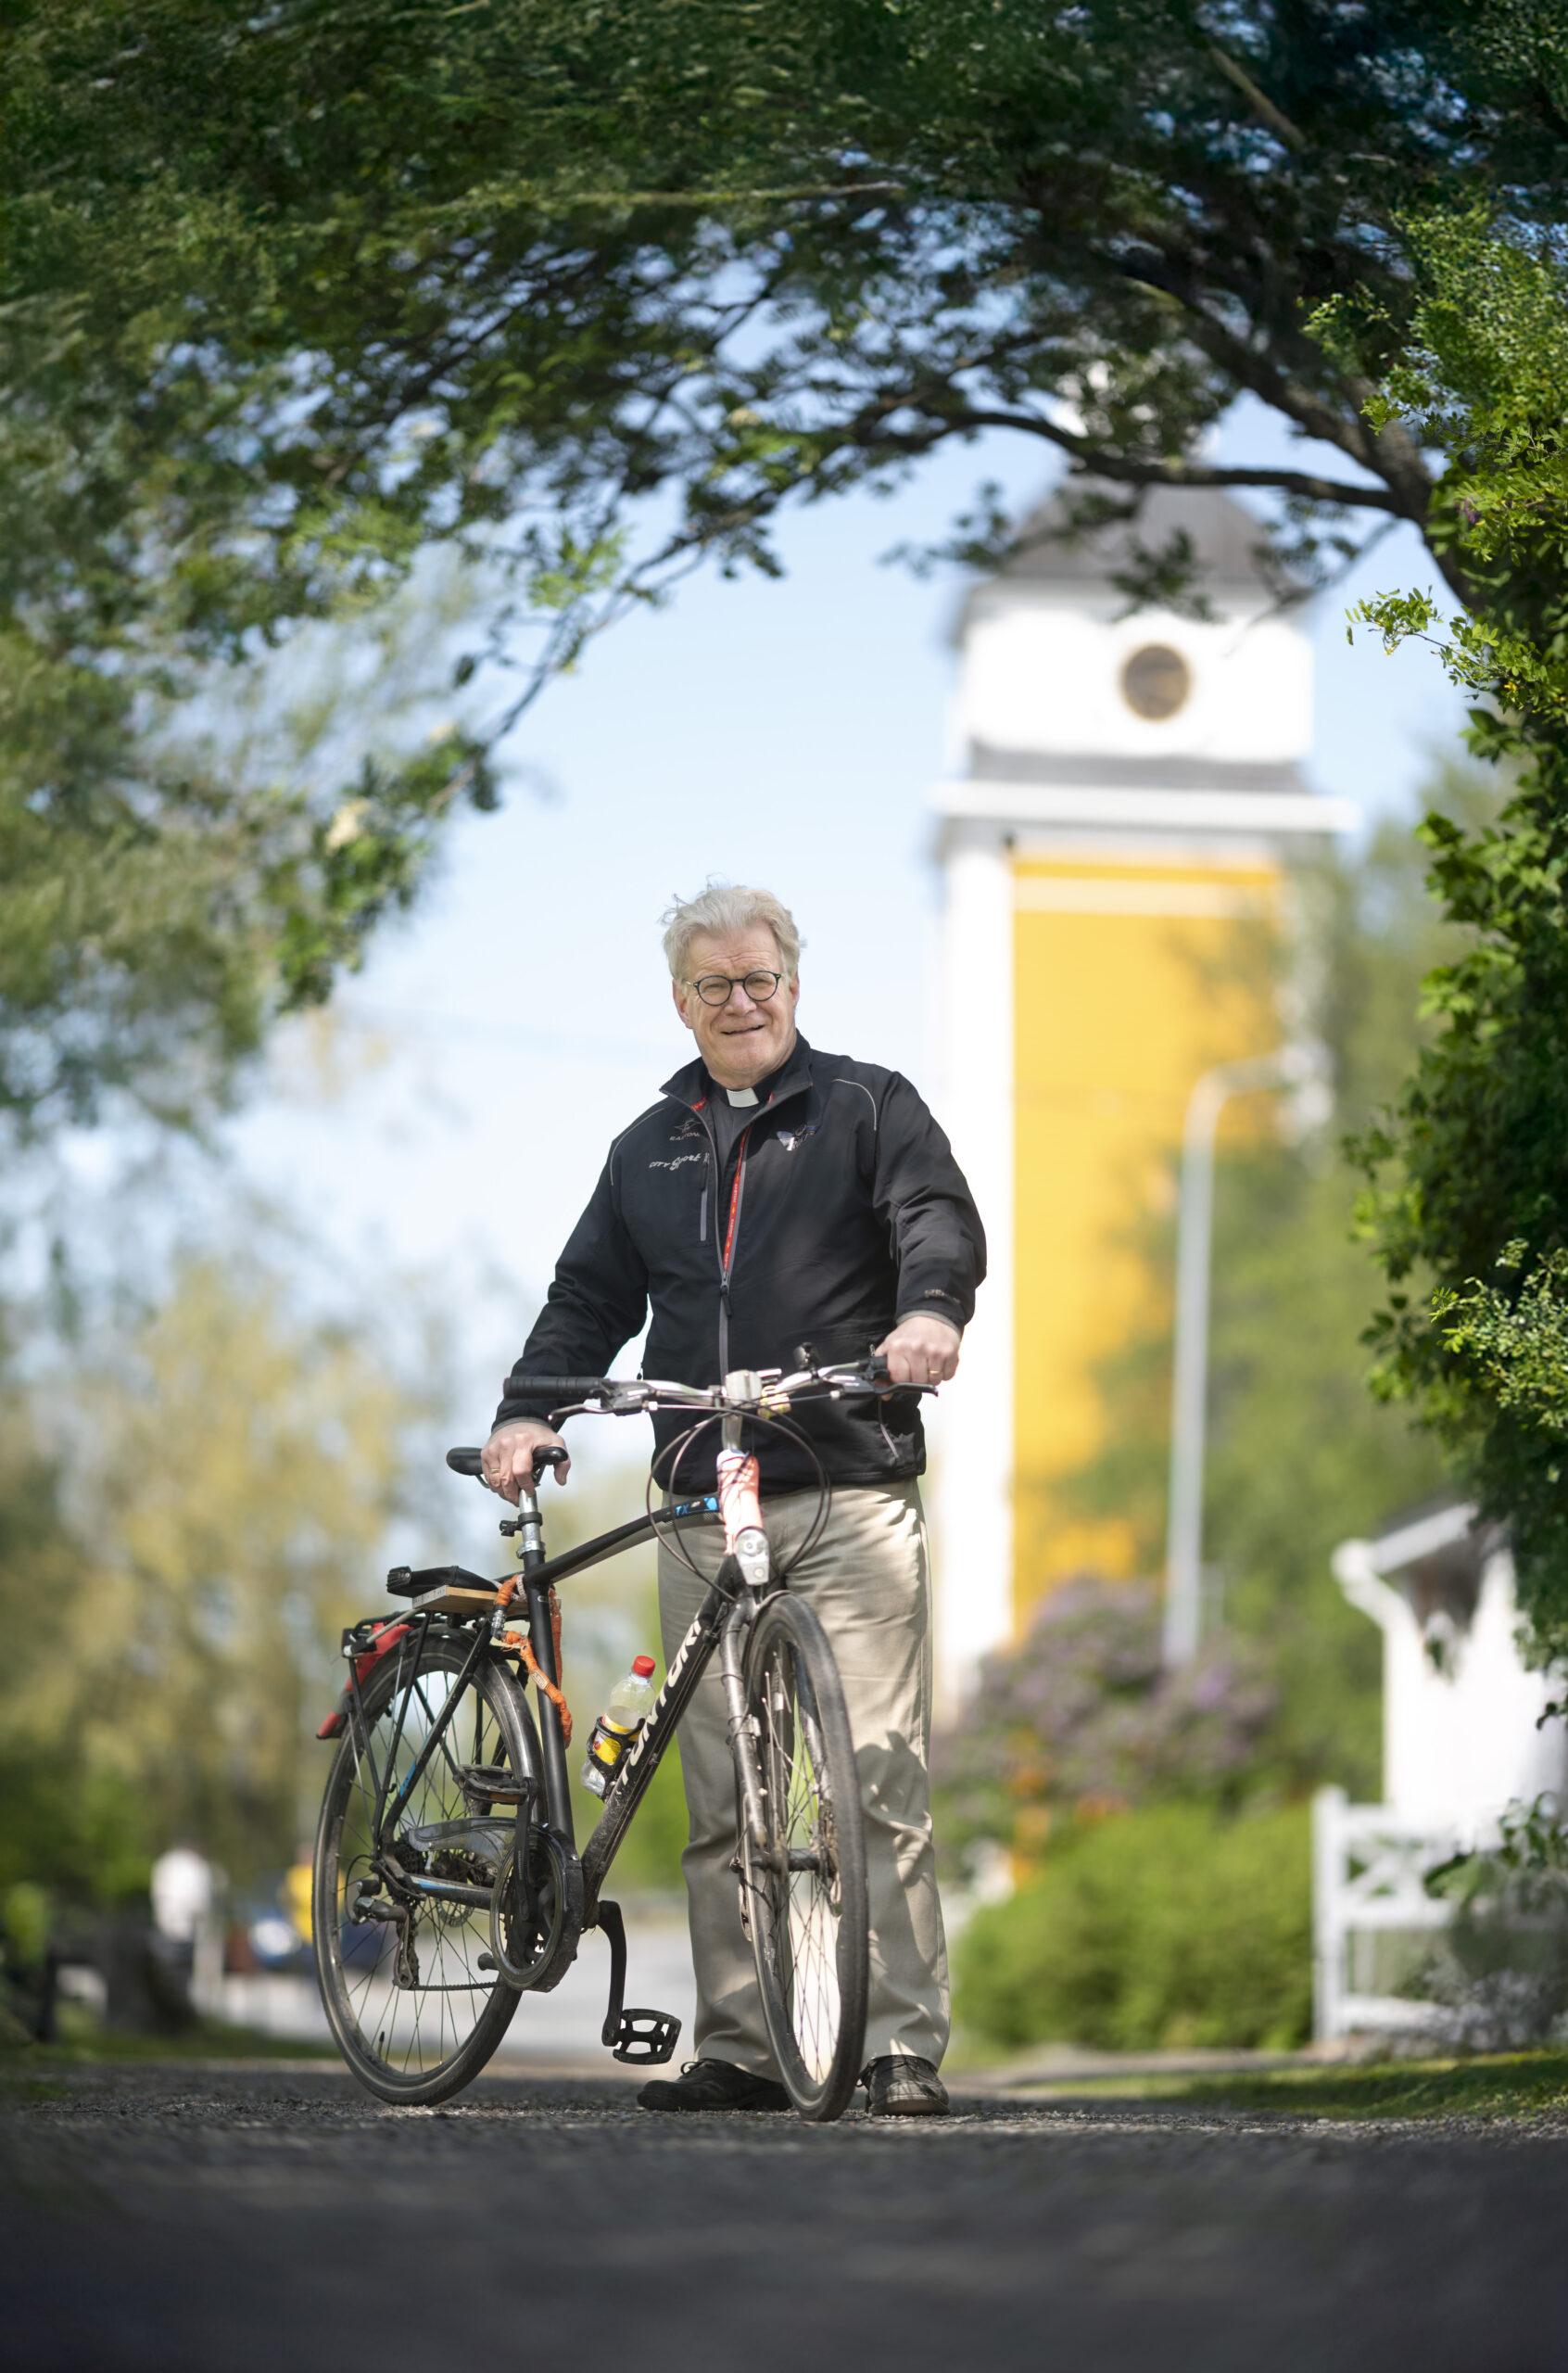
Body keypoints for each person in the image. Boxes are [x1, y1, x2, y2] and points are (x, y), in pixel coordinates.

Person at [483, 884, 984, 2116]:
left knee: (876, 1776)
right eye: (716, 984)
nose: (742, 1001)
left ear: (793, 984)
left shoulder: (868, 1106)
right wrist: (530, 1408)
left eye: (761, 978)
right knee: (722, 1790)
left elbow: (934, 1218)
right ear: (681, 1001)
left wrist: (930, 1312)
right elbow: (588, 1296)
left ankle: (898, 2045)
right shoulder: (646, 1147)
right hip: (703, 1496)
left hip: (848, 1484)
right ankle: (747, 2047)